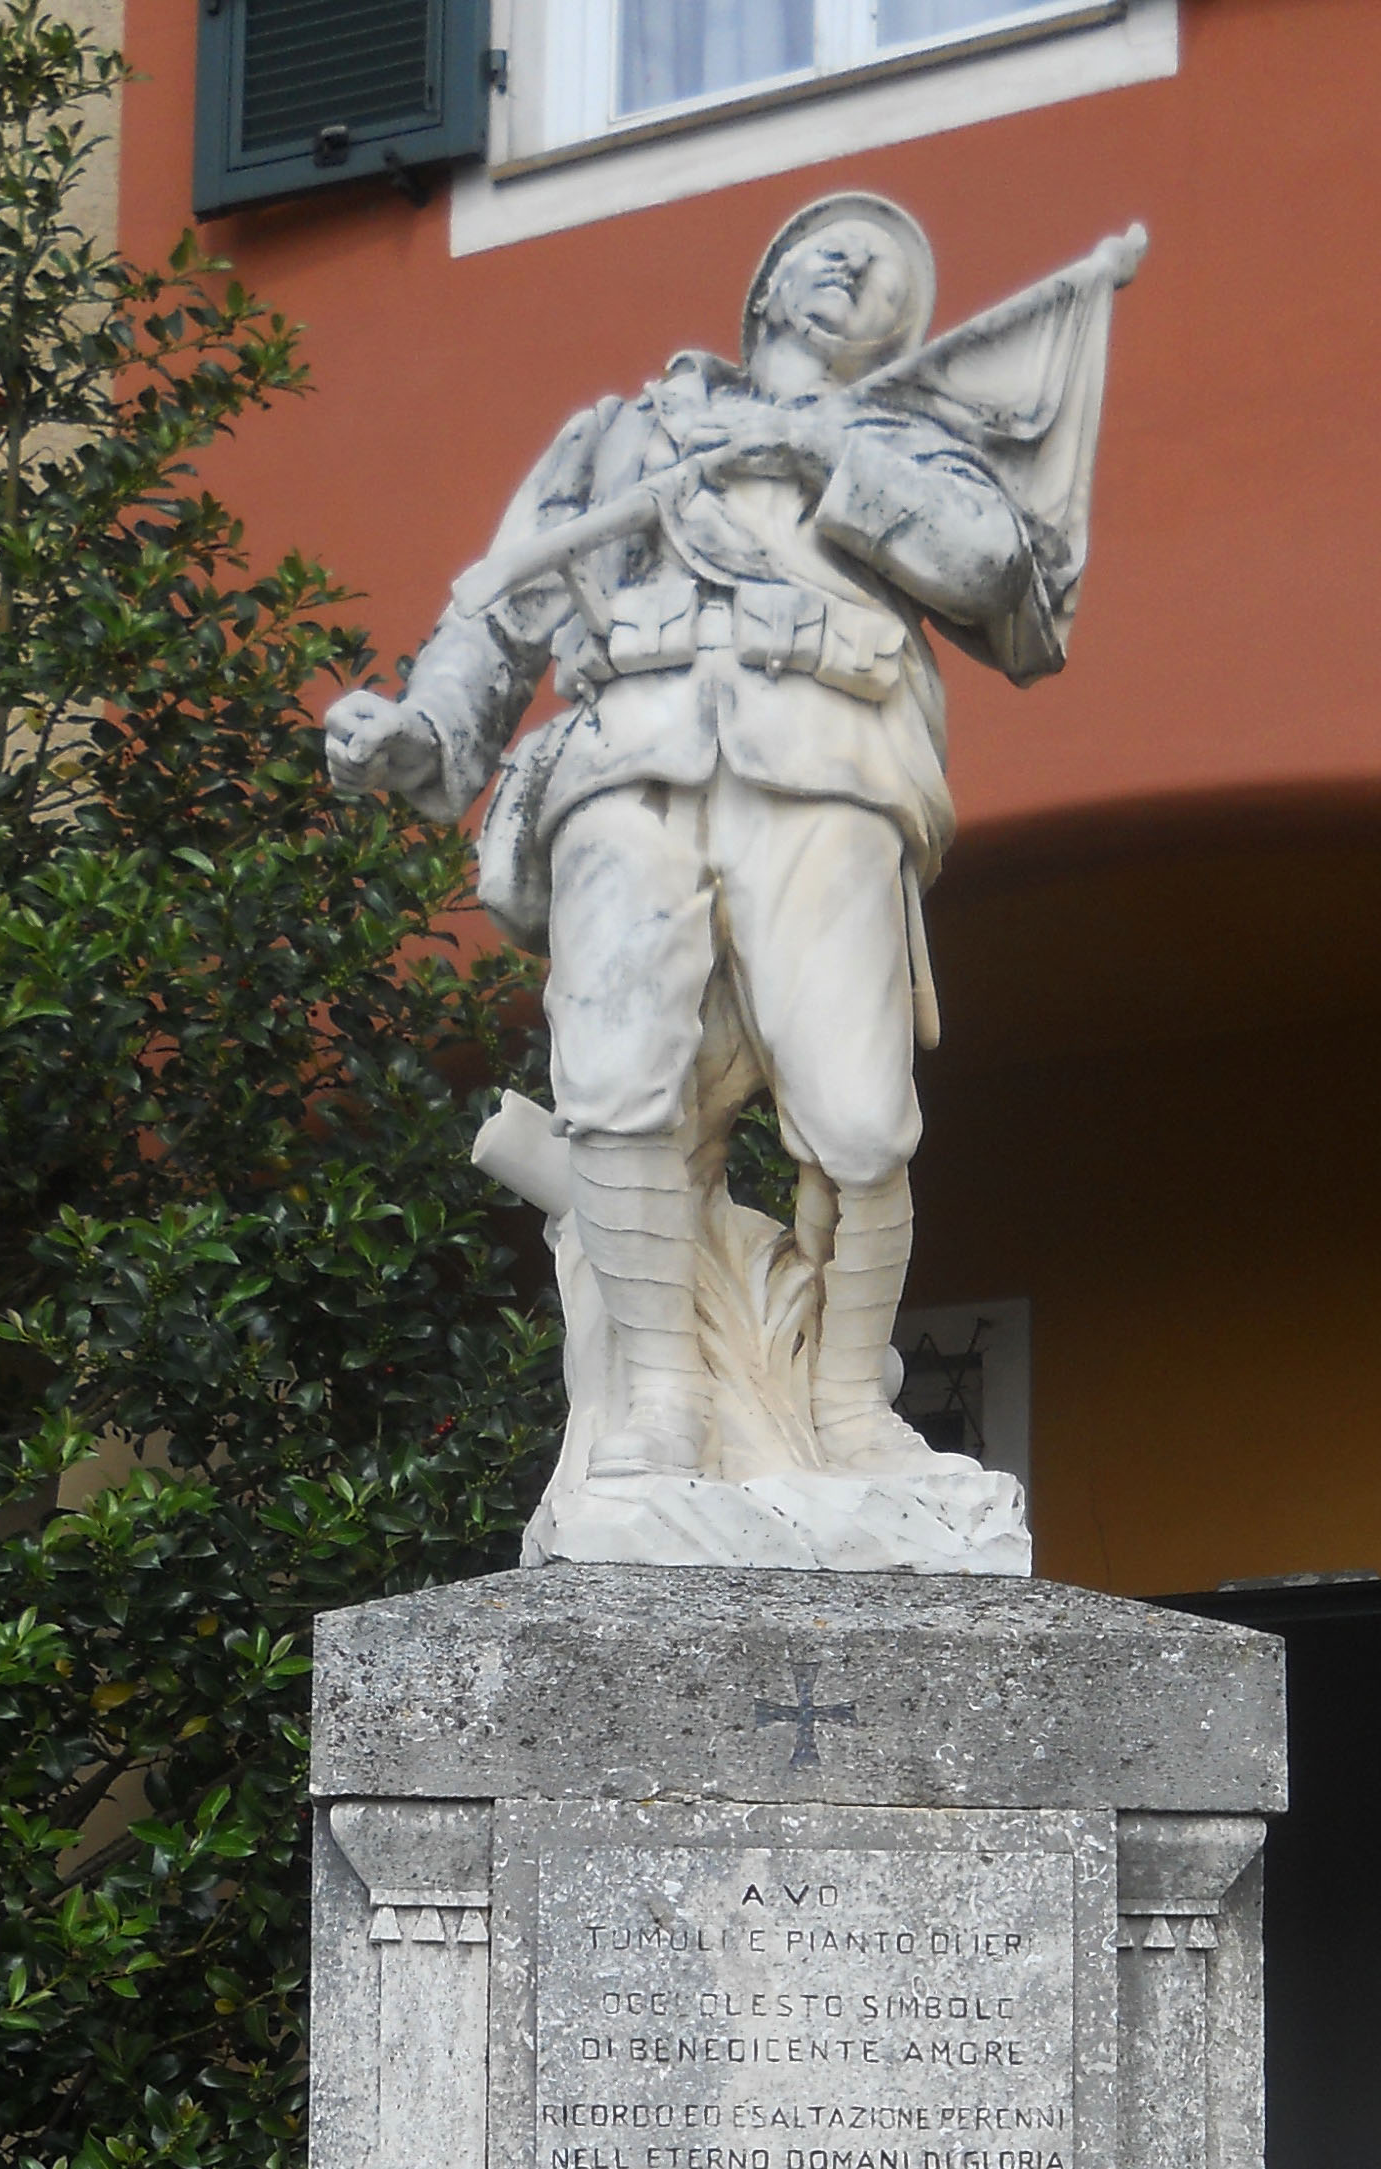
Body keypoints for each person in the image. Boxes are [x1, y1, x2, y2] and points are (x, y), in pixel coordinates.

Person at [326, 195, 1138, 1487]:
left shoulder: (904, 446)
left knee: (862, 1121)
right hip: (630, 761)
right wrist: (420, 729)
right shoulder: (623, 433)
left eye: (887, 279)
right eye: (834, 253)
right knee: (614, 1088)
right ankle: (660, 1401)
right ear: (765, 288)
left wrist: (827, 455)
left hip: (825, 764)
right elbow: (504, 609)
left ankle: (846, 1411)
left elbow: (996, 575)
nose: (861, 273)